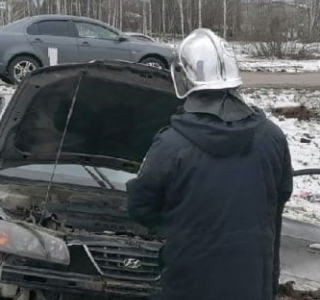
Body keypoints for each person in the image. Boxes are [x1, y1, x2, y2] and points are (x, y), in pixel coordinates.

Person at [126, 28, 294, 300]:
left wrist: (178, 224)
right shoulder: (272, 137)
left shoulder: (170, 146)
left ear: (183, 78)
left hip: (189, 283)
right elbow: (281, 195)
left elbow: (140, 206)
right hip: (252, 282)